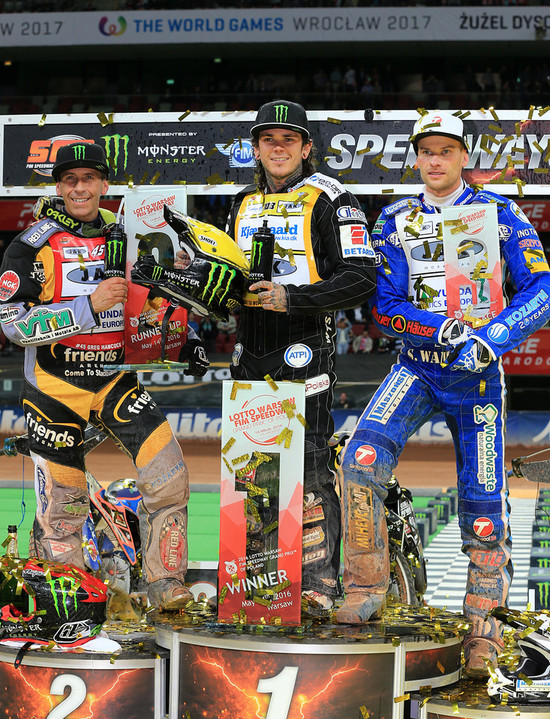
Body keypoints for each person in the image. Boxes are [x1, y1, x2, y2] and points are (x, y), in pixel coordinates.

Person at [338, 111, 550, 678]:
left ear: (463, 156)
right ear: (416, 157)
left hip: (477, 381)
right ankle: (365, 590)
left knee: (484, 514)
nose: (435, 160)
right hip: (416, 369)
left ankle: (485, 632)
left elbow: (543, 288)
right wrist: (442, 330)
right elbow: (384, 306)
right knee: (360, 461)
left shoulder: (501, 213)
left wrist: (491, 338)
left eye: (446, 150)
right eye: (426, 151)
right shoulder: (393, 220)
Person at [0, 142, 210, 611]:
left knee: (170, 476)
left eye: (89, 178)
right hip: (55, 386)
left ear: (103, 184)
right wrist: (88, 306)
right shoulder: (30, 244)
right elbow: (13, 325)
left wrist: (184, 338)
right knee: (65, 505)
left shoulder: (127, 232)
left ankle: (165, 584)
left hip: (116, 378)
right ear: (59, 187)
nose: (80, 188)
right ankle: (71, 605)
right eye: (70, 179)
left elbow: (148, 302)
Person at [225, 99, 377, 617]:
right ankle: (253, 588)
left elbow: (361, 277)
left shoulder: (334, 198)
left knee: (308, 469)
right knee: (251, 474)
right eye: (269, 139)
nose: (279, 147)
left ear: (307, 147)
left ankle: (316, 585)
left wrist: (292, 298)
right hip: (250, 352)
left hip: (305, 349)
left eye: (289, 139)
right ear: (256, 148)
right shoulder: (242, 202)